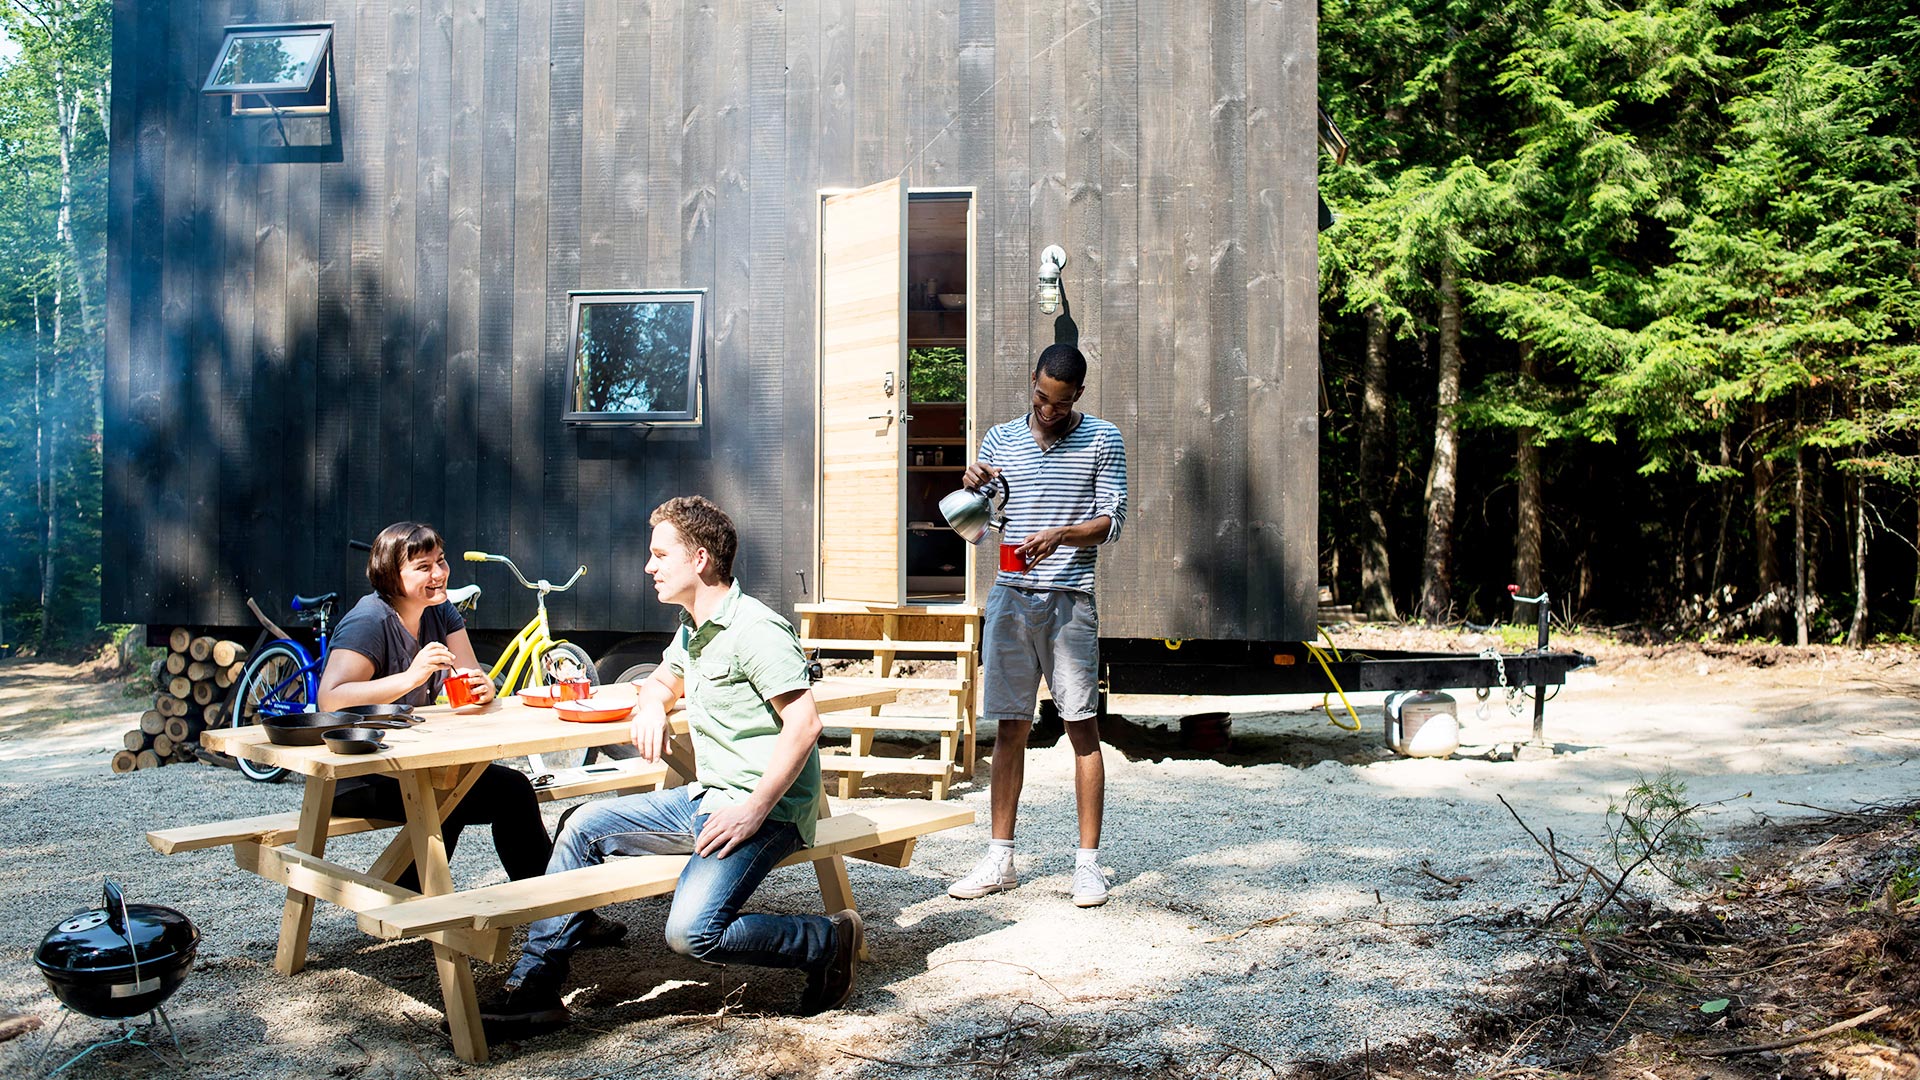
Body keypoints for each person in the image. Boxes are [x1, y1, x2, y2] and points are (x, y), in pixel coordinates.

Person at [479, 496, 861, 1033]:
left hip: (764, 811)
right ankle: (536, 986)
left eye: (660, 555)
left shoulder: (755, 629)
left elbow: (805, 726)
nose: (648, 567)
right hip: (706, 799)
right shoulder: (693, 628)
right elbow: (661, 680)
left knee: (691, 933)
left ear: (699, 559)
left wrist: (753, 810)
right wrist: (654, 705)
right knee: (581, 824)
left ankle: (825, 940)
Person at [314, 522, 621, 951]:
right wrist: (412, 677)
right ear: (390, 575)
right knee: (456, 795)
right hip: (360, 773)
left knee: (510, 789)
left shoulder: (440, 612)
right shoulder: (369, 621)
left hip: (417, 766)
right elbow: (330, 699)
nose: (439, 574)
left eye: (440, 562)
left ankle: (563, 916)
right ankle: (407, 902)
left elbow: (470, 676)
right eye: (423, 567)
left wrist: (483, 688)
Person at [947, 343, 1128, 908]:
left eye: (1062, 403)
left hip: (1070, 598)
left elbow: (1113, 521)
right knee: (1009, 728)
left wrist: (1060, 535)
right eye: (1042, 398)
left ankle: (1088, 866)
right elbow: (980, 521)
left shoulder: (1102, 438)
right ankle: (1000, 859)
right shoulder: (1000, 439)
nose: (1049, 410)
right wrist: (973, 483)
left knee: (1081, 727)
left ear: (1079, 395)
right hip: (1010, 595)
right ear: (1033, 381)